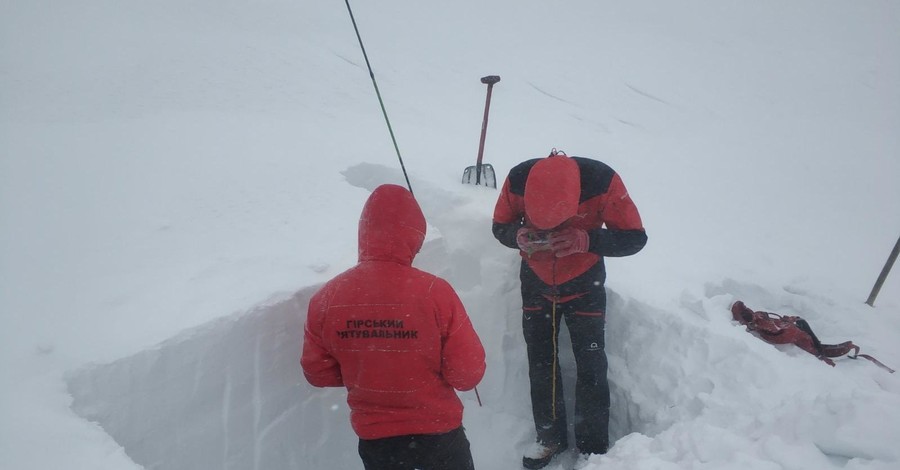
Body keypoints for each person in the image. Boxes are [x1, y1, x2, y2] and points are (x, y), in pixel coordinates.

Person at [301, 183, 487, 470]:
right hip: (439, 436)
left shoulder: (327, 297)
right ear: (414, 236)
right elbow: (466, 373)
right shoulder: (434, 292)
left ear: (364, 232)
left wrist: (367, 371)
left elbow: (317, 371)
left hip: (377, 443)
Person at [491, 149, 647, 469]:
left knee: (590, 363)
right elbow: (499, 226)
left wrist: (587, 240)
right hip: (535, 281)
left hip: (584, 282)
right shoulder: (518, 179)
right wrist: (516, 235)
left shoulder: (601, 181)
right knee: (541, 362)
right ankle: (550, 438)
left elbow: (634, 238)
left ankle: (593, 448)